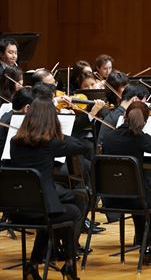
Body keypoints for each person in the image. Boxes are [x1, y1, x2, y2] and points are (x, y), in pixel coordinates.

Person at [9, 98, 86, 279]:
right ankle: (68, 261)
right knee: (73, 211)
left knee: (51, 214)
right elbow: (82, 146)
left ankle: (33, 265)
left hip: (17, 209)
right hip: (40, 209)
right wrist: (59, 134)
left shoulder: (14, 141)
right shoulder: (50, 143)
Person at [101, 101, 151, 265]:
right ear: (145, 121)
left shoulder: (108, 137)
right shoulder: (139, 138)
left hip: (112, 197)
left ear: (124, 117)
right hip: (135, 196)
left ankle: (143, 239)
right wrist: (142, 135)